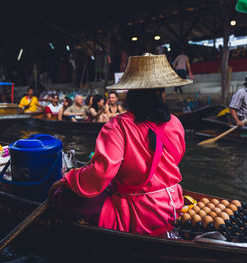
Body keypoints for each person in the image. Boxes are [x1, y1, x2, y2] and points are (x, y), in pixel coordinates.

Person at [49, 53, 192, 235]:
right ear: (161, 93)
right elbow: (175, 159)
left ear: (130, 93)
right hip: (173, 205)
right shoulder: (175, 122)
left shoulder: (118, 125)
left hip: (139, 213)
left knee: (64, 196)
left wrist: (67, 180)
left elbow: (100, 174)